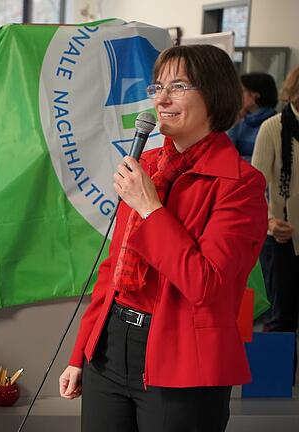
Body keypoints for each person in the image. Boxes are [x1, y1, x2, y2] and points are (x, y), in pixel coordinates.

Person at [58, 44, 267, 432]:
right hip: (109, 348)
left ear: (216, 94)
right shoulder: (148, 166)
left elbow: (208, 285)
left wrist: (151, 210)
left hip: (183, 359)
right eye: (157, 87)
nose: (162, 99)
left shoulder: (241, 185)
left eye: (179, 86)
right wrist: (80, 353)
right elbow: (113, 268)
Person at [251, 65, 299, 337]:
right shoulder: (273, 128)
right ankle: (280, 381)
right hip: (283, 239)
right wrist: (269, 221)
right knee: (281, 321)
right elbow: (255, 187)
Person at [228, 72, 278, 162]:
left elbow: (267, 161)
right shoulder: (242, 120)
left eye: (243, 91)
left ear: (256, 94)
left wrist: (238, 161)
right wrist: (233, 123)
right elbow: (226, 152)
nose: (239, 95)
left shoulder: (275, 123)